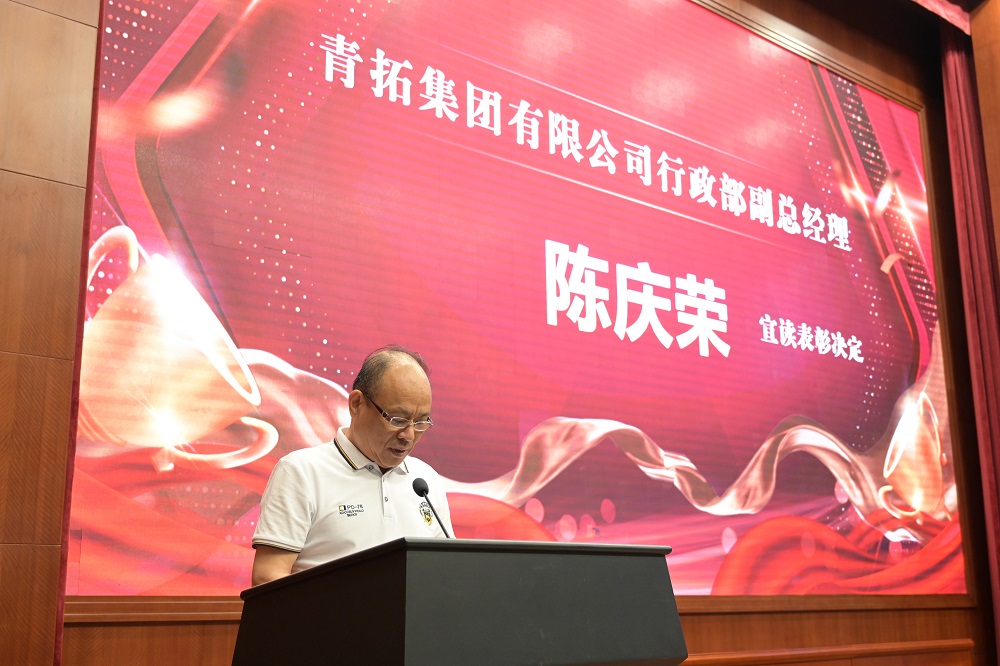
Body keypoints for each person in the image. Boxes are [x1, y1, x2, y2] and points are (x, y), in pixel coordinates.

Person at [250, 345, 454, 585]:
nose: (408, 436)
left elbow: (447, 571)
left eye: (420, 422)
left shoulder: (426, 481)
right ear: (356, 404)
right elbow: (266, 577)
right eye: (398, 420)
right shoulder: (300, 472)